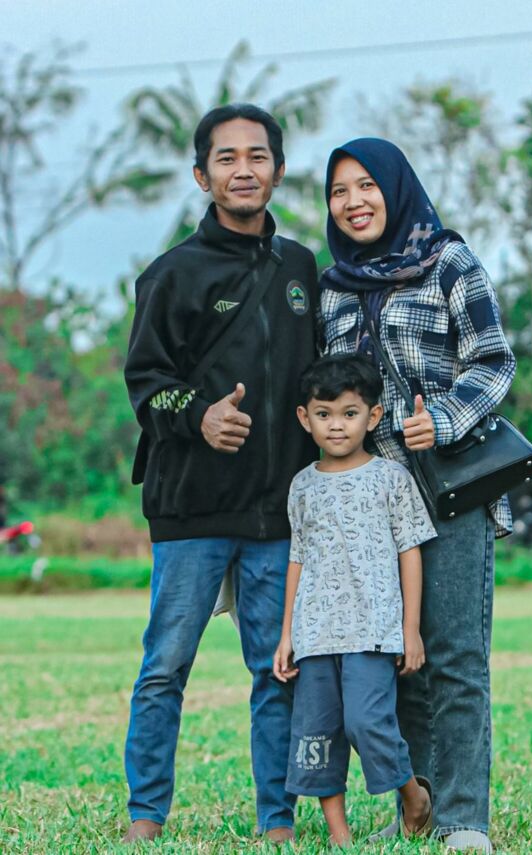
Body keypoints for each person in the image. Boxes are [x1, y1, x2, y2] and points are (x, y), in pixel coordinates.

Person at [122, 103, 318, 844]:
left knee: (277, 671)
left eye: (257, 156)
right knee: (165, 666)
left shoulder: (300, 269)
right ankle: (146, 816)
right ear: (202, 176)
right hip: (192, 509)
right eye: (227, 158)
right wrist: (199, 415)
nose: (244, 169)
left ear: (279, 170)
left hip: (278, 512)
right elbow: (146, 382)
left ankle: (278, 822)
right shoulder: (171, 274)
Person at [319, 138, 516, 853]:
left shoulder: (449, 262)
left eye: (367, 185)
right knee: (397, 661)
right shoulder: (332, 287)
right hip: (371, 500)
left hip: (451, 487)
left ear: (397, 189)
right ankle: (417, 805)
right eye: (339, 191)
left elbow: (494, 361)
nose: (354, 202)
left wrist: (448, 417)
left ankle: (464, 819)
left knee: (456, 656)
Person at [273, 353, 437, 847]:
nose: (337, 425)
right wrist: (287, 635)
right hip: (315, 635)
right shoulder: (302, 486)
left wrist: (410, 629)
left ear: (373, 415)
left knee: (368, 723)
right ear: (305, 418)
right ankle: (340, 838)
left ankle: (414, 798)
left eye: (349, 413)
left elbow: (410, 551)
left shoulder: (391, 478)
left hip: (373, 631)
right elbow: (297, 558)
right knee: (318, 733)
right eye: (323, 414)